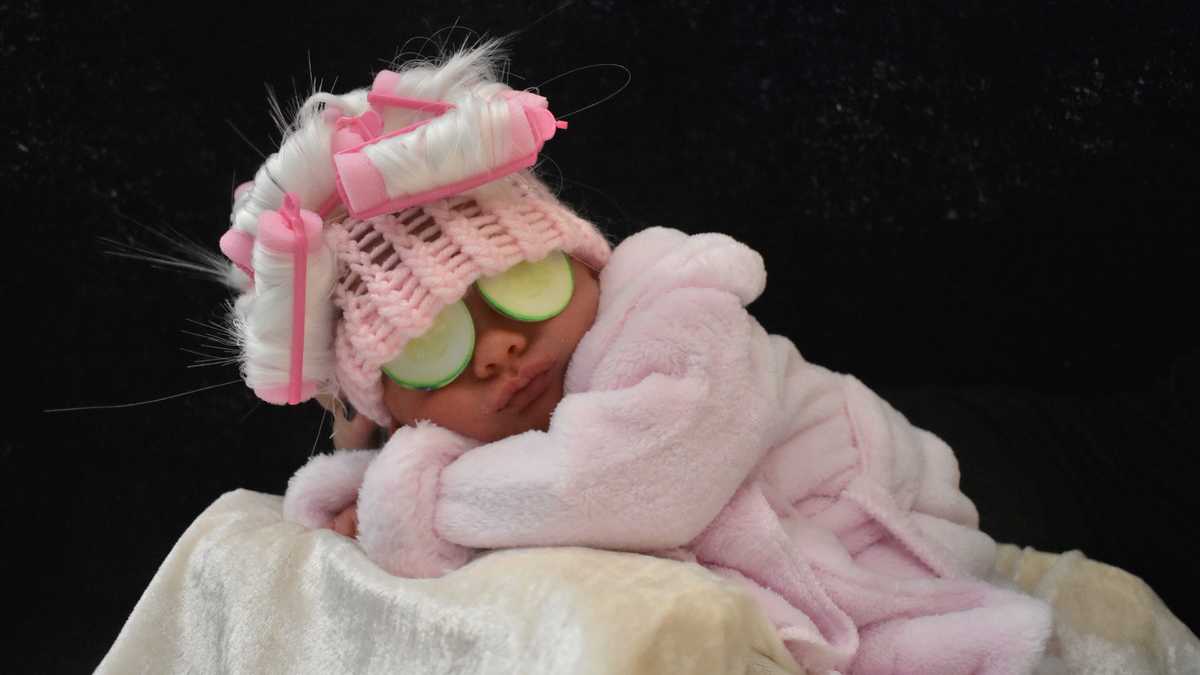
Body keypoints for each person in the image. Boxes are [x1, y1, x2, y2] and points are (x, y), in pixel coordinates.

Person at [218, 38, 1052, 673]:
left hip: (873, 518)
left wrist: (414, 499)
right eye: (433, 344)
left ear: (582, 261)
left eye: (521, 284)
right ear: (389, 410)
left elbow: (631, 482)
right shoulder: (483, 445)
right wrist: (361, 489)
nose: (500, 345)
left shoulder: (670, 308)